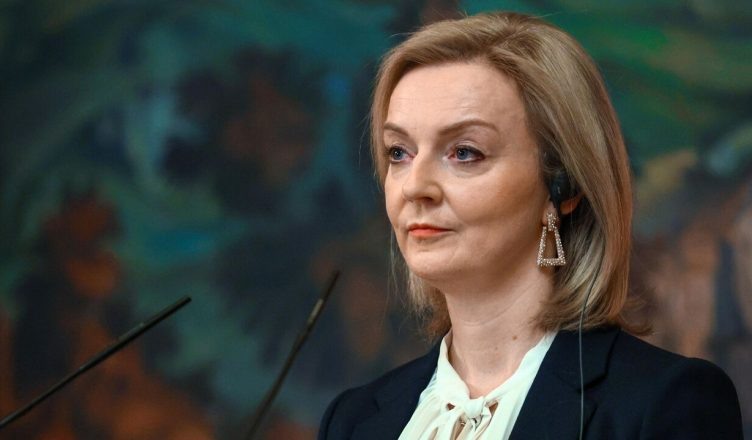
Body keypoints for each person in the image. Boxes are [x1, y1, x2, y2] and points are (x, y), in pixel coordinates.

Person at [318, 11, 743, 440]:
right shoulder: (351, 421)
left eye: (464, 152)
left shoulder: (666, 404)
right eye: (399, 152)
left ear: (564, 186)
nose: (414, 187)